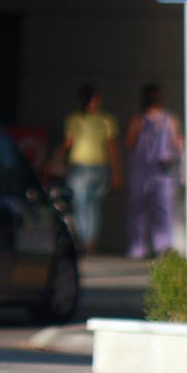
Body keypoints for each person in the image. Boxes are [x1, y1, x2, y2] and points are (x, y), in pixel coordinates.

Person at [124, 83, 184, 259]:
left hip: (162, 171)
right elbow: (129, 142)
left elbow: (178, 144)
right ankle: (138, 246)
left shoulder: (169, 119)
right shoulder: (139, 120)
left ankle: (163, 246)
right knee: (138, 210)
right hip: (142, 172)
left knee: (163, 209)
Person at [61, 85, 123, 254]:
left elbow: (68, 144)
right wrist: (116, 171)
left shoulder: (76, 119)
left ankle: (84, 240)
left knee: (81, 204)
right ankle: (89, 240)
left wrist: (116, 171)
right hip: (95, 167)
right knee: (90, 205)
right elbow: (112, 146)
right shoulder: (105, 120)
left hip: (84, 166)